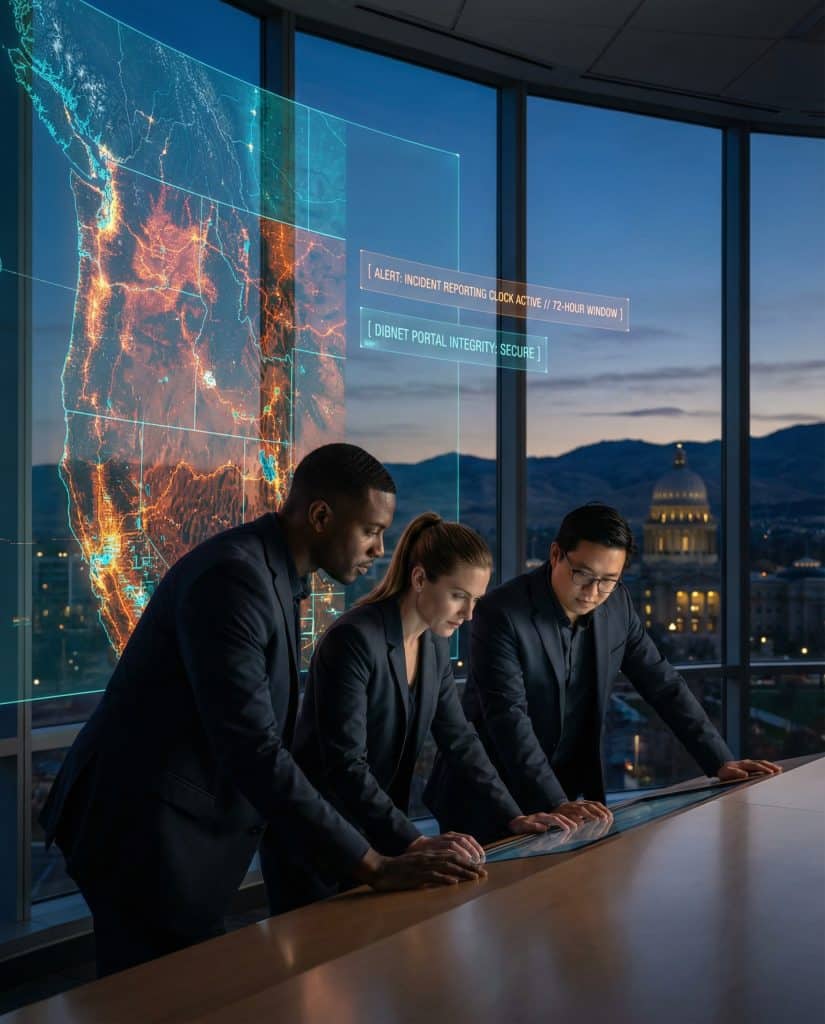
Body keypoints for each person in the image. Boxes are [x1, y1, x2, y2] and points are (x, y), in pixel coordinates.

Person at [39, 445, 485, 977]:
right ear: (321, 517)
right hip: (143, 830)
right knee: (160, 998)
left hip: (170, 830)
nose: (379, 549)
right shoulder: (236, 579)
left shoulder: (265, 572)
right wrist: (374, 865)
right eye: (370, 531)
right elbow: (252, 747)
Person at [268, 513, 576, 913]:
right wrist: (413, 841)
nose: (468, 615)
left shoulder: (432, 645)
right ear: (418, 579)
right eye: (458, 596)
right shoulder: (354, 640)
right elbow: (346, 765)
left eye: (476, 601)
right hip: (321, 843)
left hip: (377, 838)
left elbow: (460, 741)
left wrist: (513, 818)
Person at [425, 503, 781, 836]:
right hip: (490, 800)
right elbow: (508, 718)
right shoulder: (501, 613)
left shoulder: (618, 605)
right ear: (555, 556)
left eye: (609, 579)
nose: (594, 592)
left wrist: (720, 761)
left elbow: (663, 684)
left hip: (569, 800)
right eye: (583, 574)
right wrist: (557, 801)